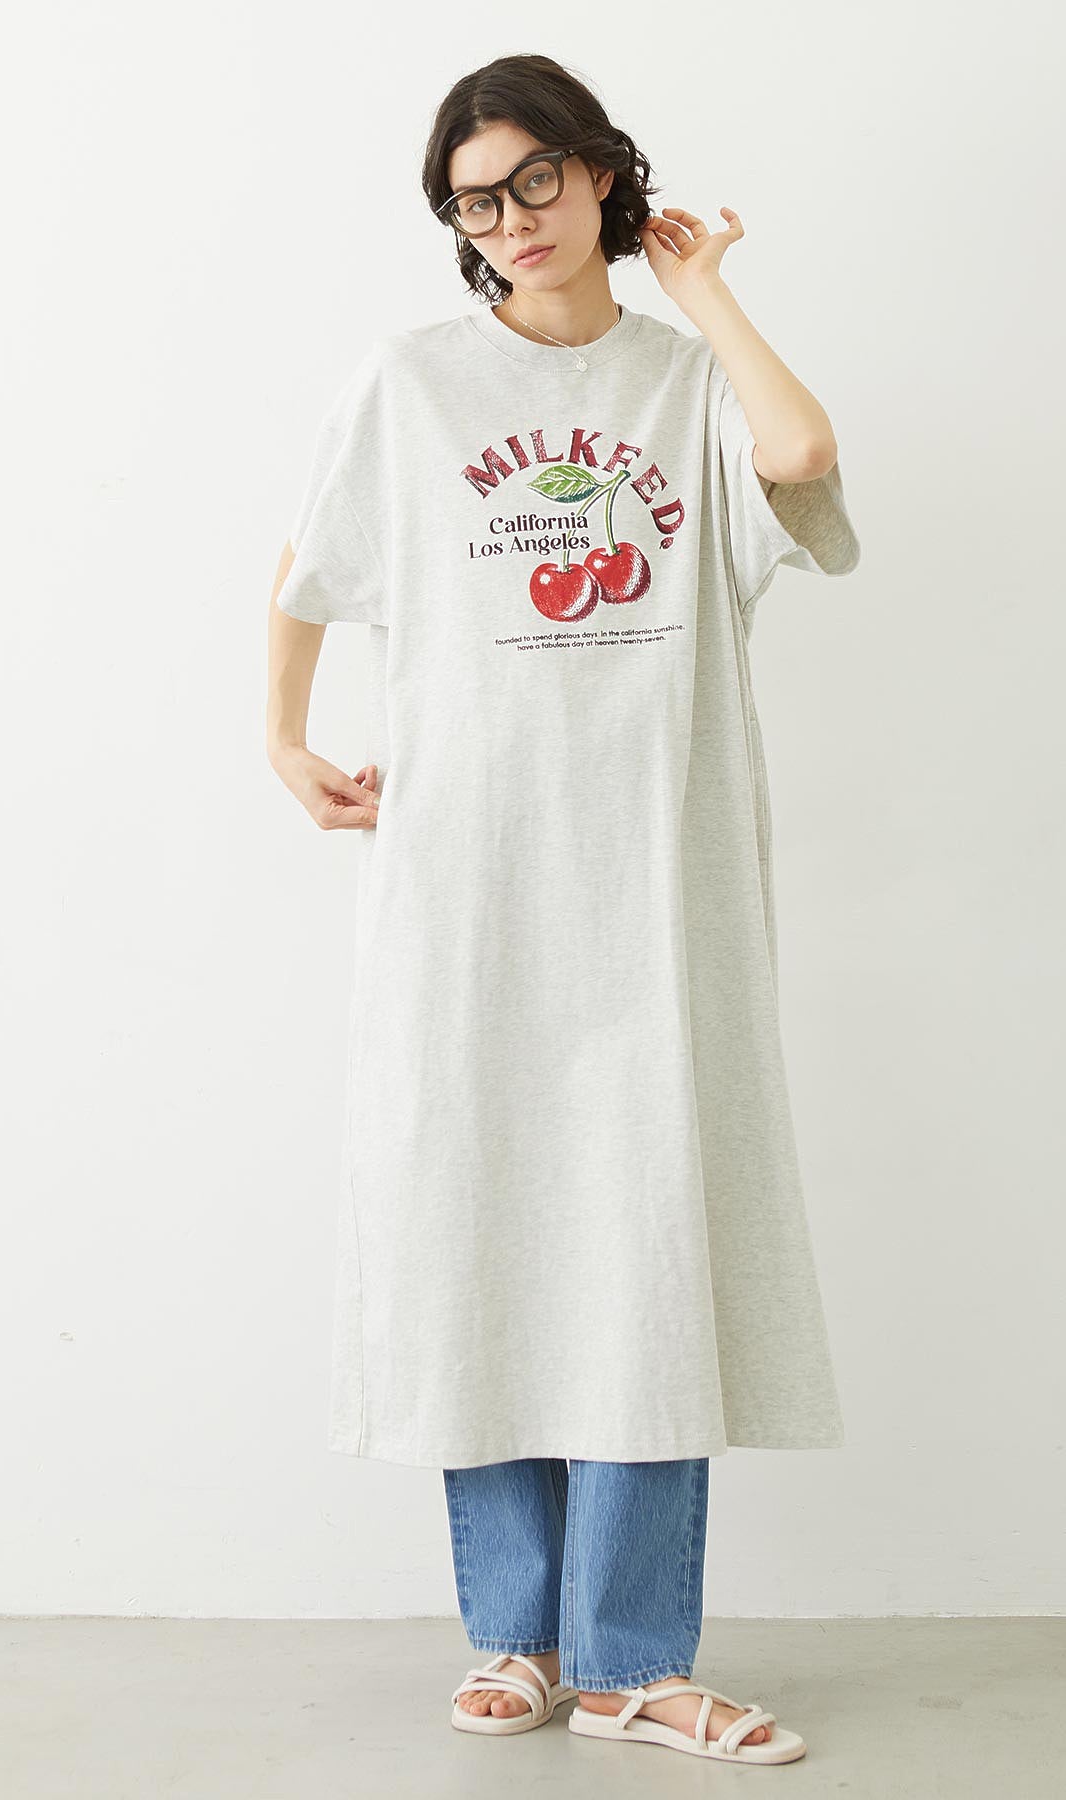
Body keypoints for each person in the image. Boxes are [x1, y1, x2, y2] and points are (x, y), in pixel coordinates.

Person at [266, 53, 859, 1769]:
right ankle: (516, 1638)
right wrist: (285, 741)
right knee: (484, 1230)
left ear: (602, 174)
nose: (511, 221)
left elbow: (803, 457)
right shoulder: (412, 383)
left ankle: (634, 1661)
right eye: (477, 200)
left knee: (645, 1249)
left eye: (537, 181)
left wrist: (706, 291)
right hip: (466, 886)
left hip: (654, 891)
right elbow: (306, 564)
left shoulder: (688, 388)